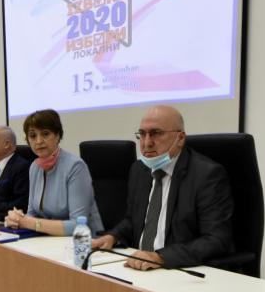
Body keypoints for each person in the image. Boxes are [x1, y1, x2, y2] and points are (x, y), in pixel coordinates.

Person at [90, 105, 234, 270]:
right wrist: (113, 236)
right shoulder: (139, 170)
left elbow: (217, 239)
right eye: (142, 134)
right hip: (139, 266)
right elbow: (133, 221)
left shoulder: (206, 174)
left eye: (156, 133)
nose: (147, 143)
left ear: (180, 138)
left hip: (177, 268)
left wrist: (160, 257)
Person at [4, 109, 102, 236]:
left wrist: (30, 223)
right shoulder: (34, 167)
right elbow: (32, 213)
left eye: (45, 134)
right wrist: (17, 219)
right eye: (33, 136)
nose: (38, 141)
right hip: (48, 239)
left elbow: (78, 225)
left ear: (58, 136)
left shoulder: (75, 167)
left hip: (83, 241)